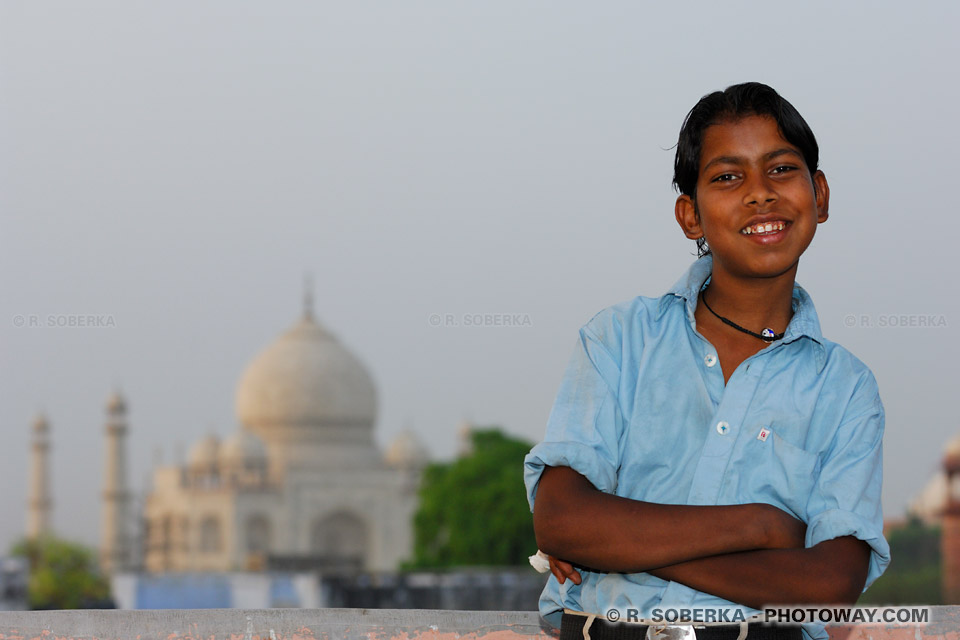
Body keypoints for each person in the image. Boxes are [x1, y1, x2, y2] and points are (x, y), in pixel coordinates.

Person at [523, 82, 889, 640]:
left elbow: (829, 585)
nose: (760, 194)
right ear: (690, 215)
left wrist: (617, 543)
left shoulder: (845, 389)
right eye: (727, 177)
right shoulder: (621, 341)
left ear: (820, 194)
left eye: (781, 169)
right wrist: (762, 525)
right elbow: (562, 519)